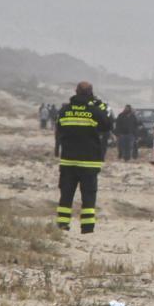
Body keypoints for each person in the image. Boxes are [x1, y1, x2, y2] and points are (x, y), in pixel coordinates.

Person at [54, 81, 111, 233]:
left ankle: (62, 225)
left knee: (66, 195)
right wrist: (101, 107)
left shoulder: (64, 110)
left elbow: (59, 129)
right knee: (88, 196)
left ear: (76, 91)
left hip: (68, 161)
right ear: (90, 93)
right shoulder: (94, 110)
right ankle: (87, 228)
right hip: (89, 162)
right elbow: (107, 125)